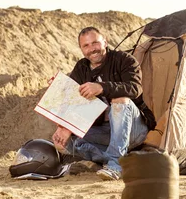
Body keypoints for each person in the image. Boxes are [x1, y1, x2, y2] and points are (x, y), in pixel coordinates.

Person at [51, 27, 156, 180]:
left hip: (133, 129)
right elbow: (71, 100)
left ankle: (115, 166)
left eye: (95, 43)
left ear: (105, 42)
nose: (92, 49)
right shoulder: (81, 68)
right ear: (81, 49)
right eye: (86, 46)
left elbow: (135, 88)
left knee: (120, 100)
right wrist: (59, 90)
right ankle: (122, 159)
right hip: (104, 131)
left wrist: (101, 87)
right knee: (62, 143)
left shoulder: (124, 59)